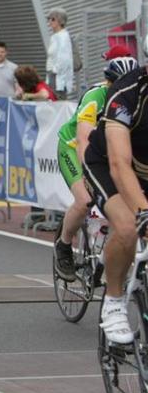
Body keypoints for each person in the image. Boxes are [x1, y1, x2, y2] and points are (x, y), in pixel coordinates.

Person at [54, 56, 139, 281]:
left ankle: (105, 260)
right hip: (73, 147)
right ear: (108, 82)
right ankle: (63, 245)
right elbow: (84, 139)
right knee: (85, 200)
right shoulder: (95, 96)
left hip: (106, 152)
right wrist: (88, 176)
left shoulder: (137, 96)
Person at [82, 60, 148, 344]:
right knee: (129, 226)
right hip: (107, 165)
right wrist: (143, 211)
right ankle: (114, 300)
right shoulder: (126, 93)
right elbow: (120, 165)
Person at [45, 7, 74, 98]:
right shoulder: (55, 36)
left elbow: (64, 59)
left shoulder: (63, 37)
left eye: (53, 19)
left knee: (58, 102)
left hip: (58, 78)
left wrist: (55, 70)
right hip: (52, 76)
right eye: (49, 19)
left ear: (60, 21)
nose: (50, 21)